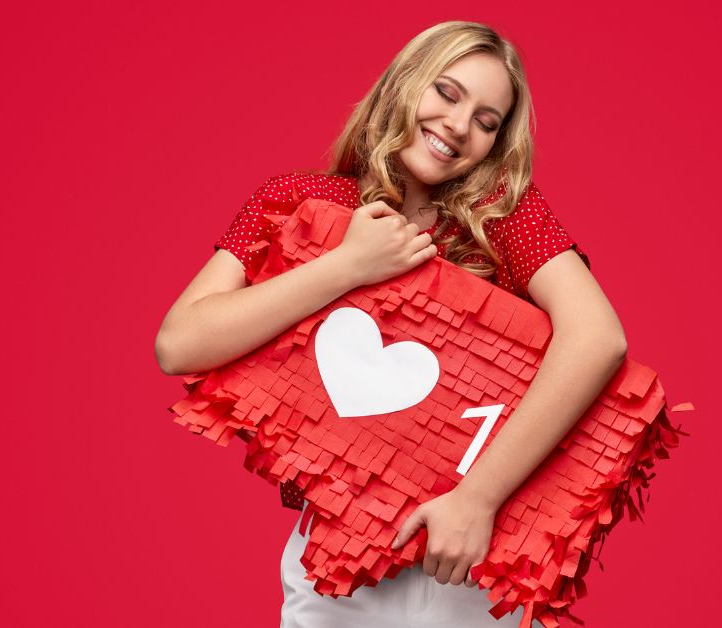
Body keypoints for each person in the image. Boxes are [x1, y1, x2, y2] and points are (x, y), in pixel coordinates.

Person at [154, 21, 628, 628]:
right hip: (333, 550)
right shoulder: (297, 199)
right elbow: (180, 343)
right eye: (447, 93)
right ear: (403, 84)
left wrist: (476, 501)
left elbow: (599, 340)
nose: (459, 125)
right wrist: (350, 265)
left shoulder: (502, 213)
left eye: (487, 121)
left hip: (462, 559)